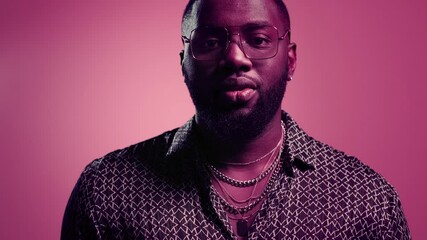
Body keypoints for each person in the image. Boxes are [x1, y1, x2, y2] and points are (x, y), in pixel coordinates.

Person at [61, 0, 411, 239]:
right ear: (184, 63)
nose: (235, 57)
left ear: (290, 61)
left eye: (258, 39)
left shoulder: (367, 201)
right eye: (211, 41)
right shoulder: (107, 190)